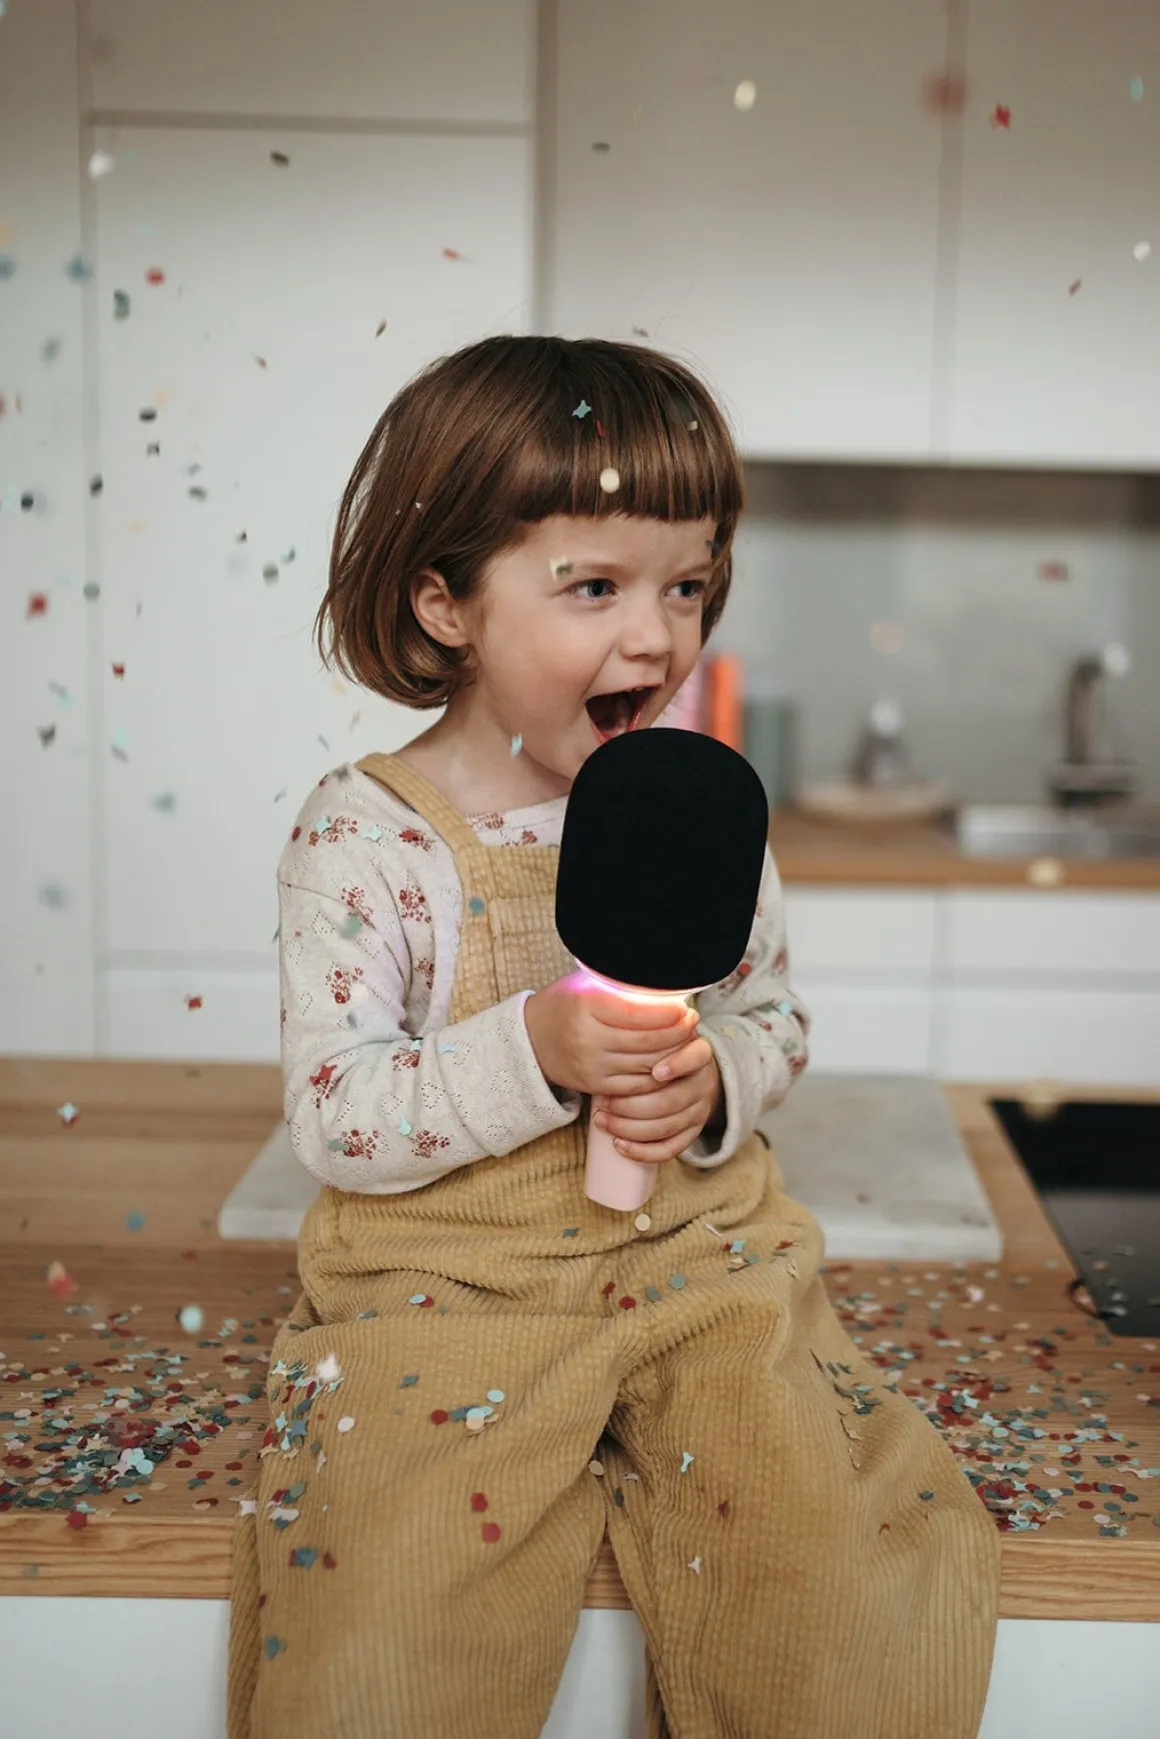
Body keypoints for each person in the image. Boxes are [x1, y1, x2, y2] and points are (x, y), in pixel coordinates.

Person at [228, 336, 1000, 1739]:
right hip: (447, 1284)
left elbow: (772, 1012)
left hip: (702, 1261)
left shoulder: (697, 811)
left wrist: (716, 1083)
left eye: (686, 584)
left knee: (834, 1571)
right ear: (446, 601)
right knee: (390, 1616)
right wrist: (536, 1049)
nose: (655, 638)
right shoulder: (366, 837)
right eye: (595, 587)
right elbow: (337, 1115)